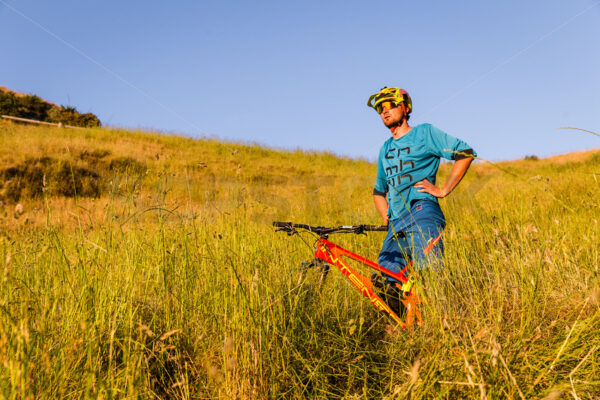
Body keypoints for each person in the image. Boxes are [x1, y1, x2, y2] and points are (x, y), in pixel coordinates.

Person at [367, 87, 476, 316]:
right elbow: (379, 191)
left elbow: (465, 153)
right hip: (396, 222)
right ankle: (403, 331)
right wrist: (385, 214)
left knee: (430, 274)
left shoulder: (424, 133)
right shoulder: (385, 149)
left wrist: (444, 189)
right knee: (387, 281)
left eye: (391, 106)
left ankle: (444, 324)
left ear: (405, 108)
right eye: (380, 109)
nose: (385, 112)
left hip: (422, 209)